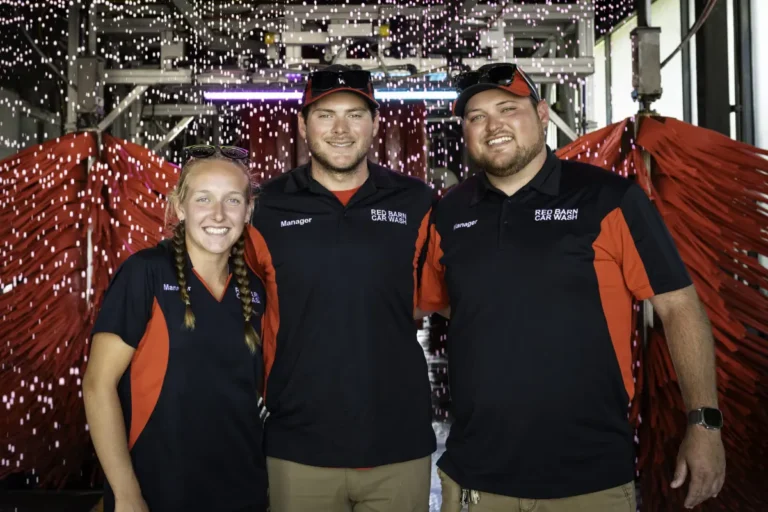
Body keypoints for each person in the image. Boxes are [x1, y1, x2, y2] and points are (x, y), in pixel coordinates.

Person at [419, 63, 726, 511]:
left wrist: (703, 422)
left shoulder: (608, 200)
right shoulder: (449, 213)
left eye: (508, 109)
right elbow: (445, 303)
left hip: (589, 480)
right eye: (476, 117)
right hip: (476, 479)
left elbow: (679, 307)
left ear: (543, 114)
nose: (493, 126)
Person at [245, 65, 436, 512]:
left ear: (374, 122)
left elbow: (448, 299)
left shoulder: (417, 201)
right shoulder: (266, 207)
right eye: (325, 115)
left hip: (398, 443)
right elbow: (237, 307)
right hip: (297, 445)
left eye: (354, 114)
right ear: (302, 125)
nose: (341, 130)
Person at [83, 145, 268, 512]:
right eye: (203, 199)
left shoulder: (255, 290)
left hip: (241, 491)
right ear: (180, 207)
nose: (218, 214)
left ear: (248, 210)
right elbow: (97, 385)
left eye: (232, 200)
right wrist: (126, 492)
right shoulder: (146, 274)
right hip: (158, 489)